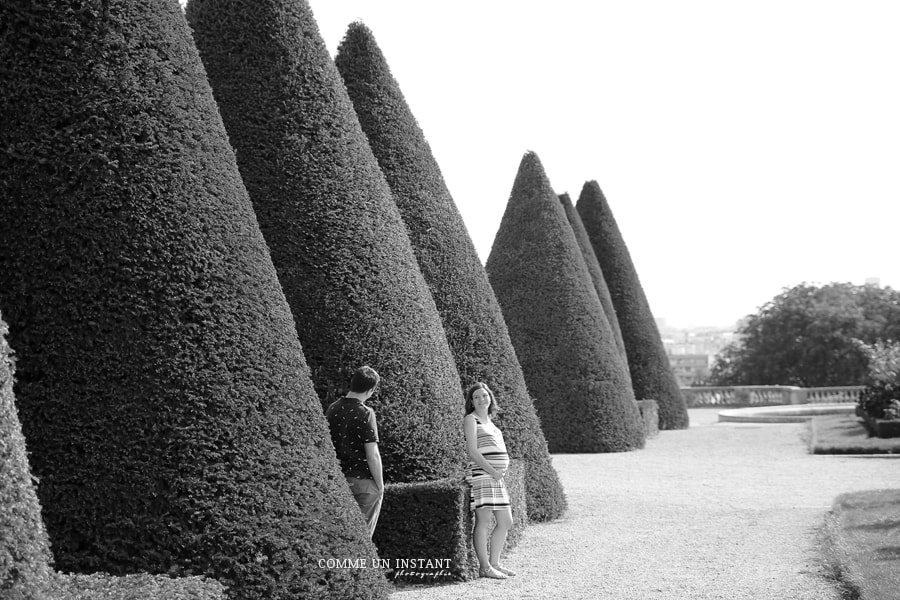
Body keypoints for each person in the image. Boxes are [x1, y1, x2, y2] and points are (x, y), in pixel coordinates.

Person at [463, 382, 516, 579]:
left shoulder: (492, 423)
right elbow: (473, 452)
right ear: (471, 401)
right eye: (476, 397)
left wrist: (500, 471)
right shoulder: (471, 420)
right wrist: (493, 471)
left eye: (484, 395)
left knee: (506, 521)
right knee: (483, 521)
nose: (481, 399)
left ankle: (495, 563)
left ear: (490, 398)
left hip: (495, 477)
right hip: (483, 475)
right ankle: (484, 568)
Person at [325, 365, 384, 538]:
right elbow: (372, 454)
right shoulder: (366, 413)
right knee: (361, 539)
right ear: (371, 390)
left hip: (337, 480)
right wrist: (380, 485)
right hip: (363, 482)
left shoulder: (332, 408)